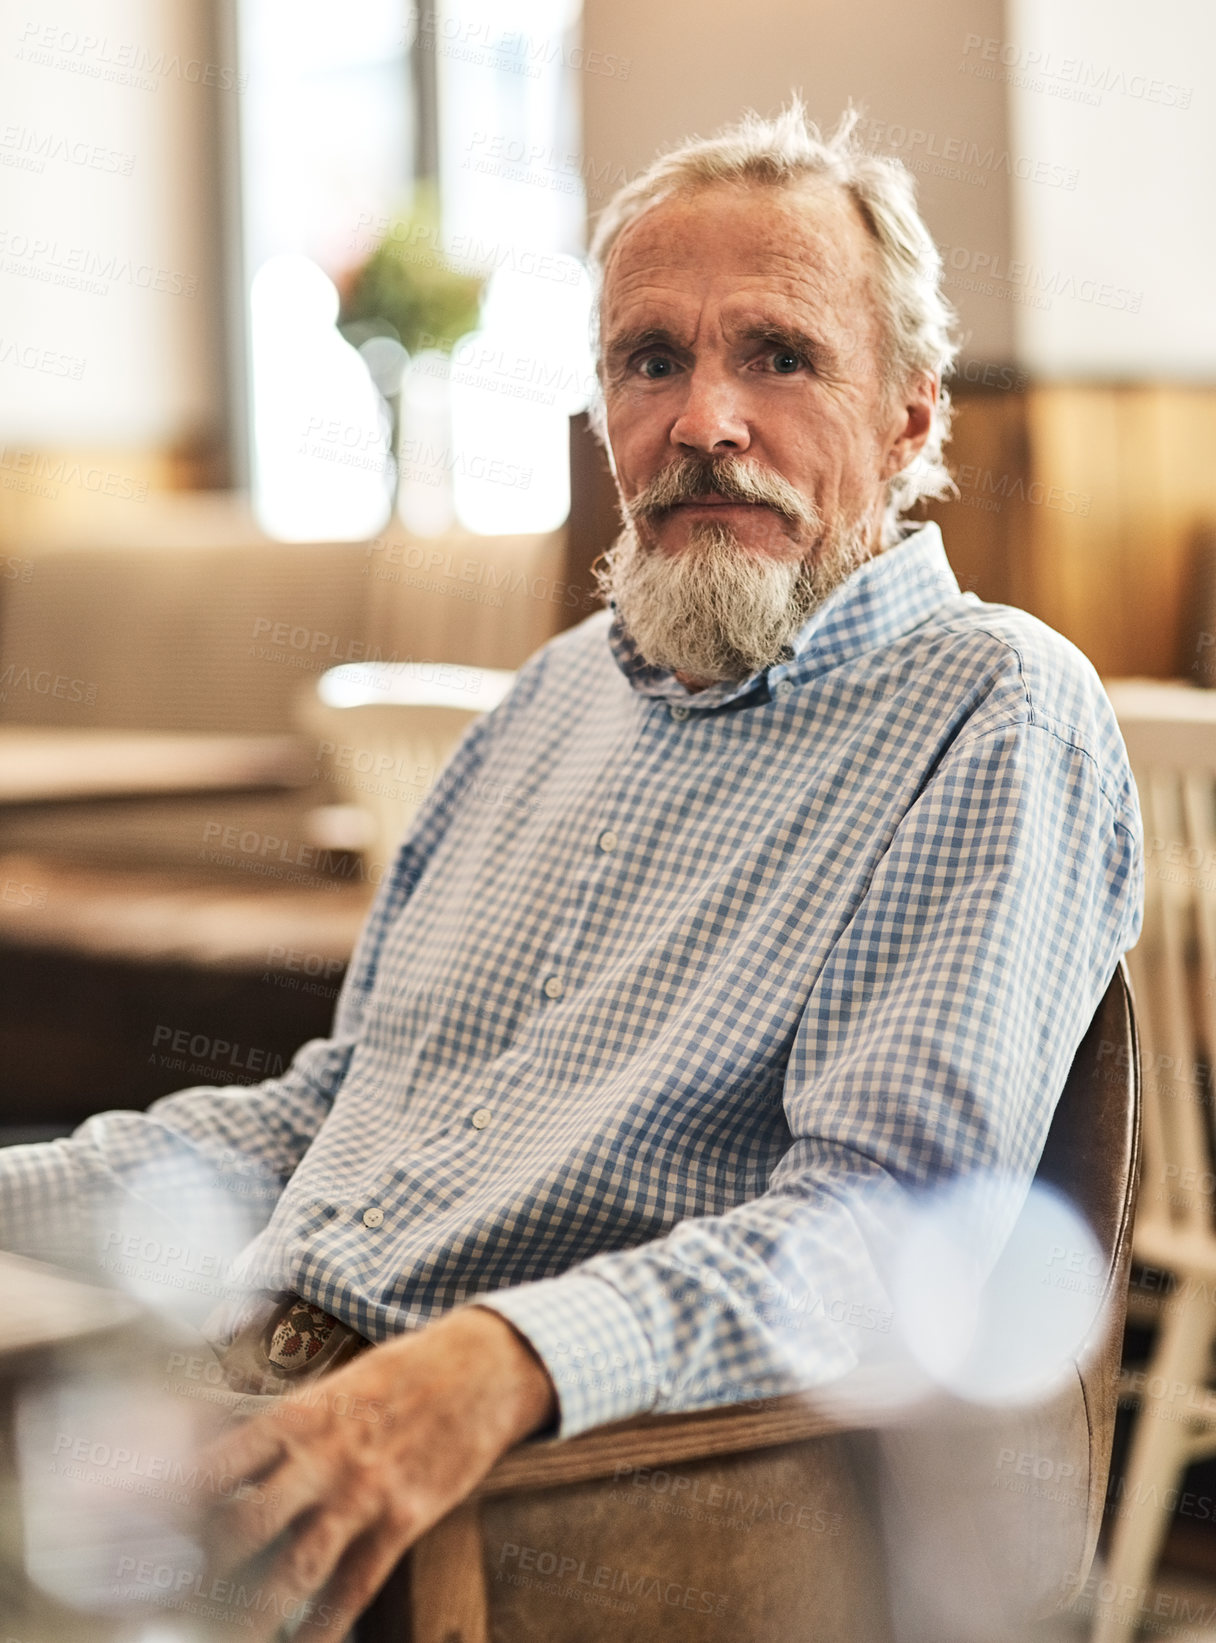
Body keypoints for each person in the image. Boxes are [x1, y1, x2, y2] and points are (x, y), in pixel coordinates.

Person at [0, 104, 1142, 1637]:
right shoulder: (553, 699)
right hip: (225, 1394)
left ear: (912, 420)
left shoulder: (993, 710)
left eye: (780, 357)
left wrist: (491, 1365)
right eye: (650, 360)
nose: (703, 421)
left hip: (533, 1494)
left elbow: (880, 1234)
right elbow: (323, 1115)